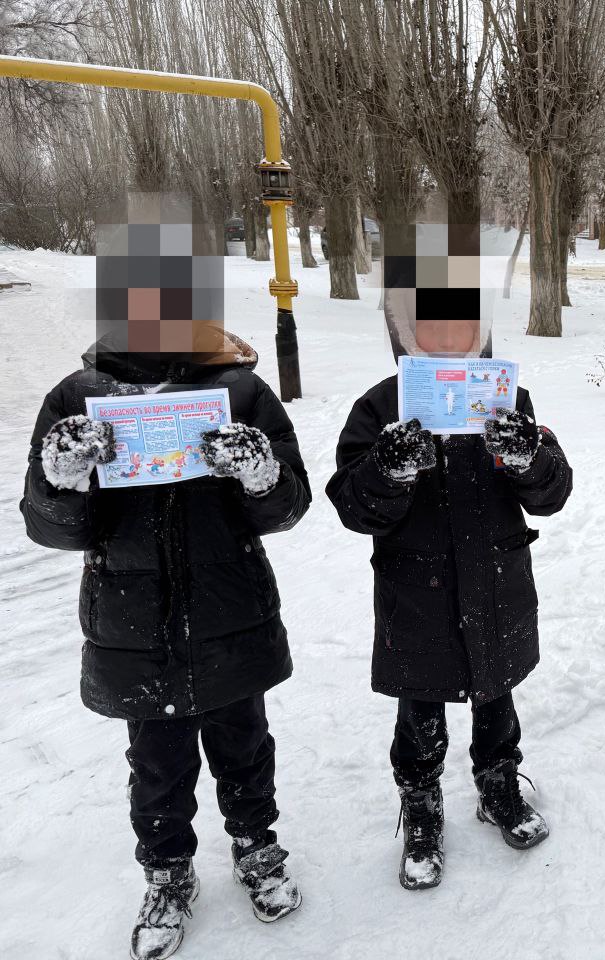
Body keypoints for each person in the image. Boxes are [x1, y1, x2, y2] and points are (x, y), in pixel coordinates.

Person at [19, 193, 308, 960]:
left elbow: (289, 506)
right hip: (133, 626)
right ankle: (168, 873)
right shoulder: (77, 400)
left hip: (231, 614)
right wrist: (60, 479)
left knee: (245, 745)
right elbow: (50, 526)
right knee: (157, 763)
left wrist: (259, 473)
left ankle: (257, 846)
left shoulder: (240, 391)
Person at [326, 220, 572, 891]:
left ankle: (498, 784)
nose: (447, 335)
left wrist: (527, 458)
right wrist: (388, 469)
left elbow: (552, 493)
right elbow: (351, 504)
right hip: (418, 598)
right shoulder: (380, 408)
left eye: (461, 322)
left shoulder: (509, 399)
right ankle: (421, 804)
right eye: (430, 323)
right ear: (405, 329)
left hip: (496, 586)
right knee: (420, 714)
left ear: (480, 327)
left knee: (497, 699)